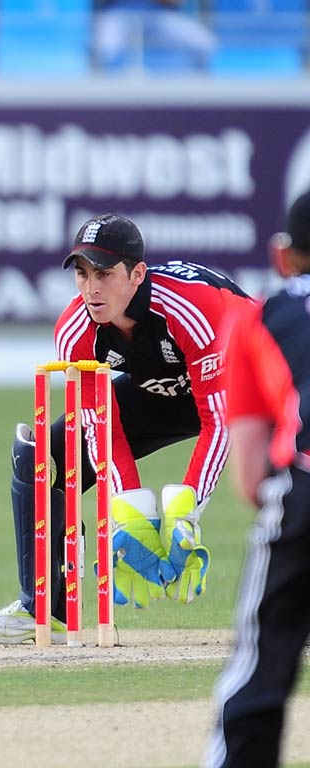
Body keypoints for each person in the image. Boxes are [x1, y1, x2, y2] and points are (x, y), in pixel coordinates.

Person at [0, 213, 256, 645]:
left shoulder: (192, 309)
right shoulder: (76, 331)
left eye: (104, 273)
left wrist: (187, 511)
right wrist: (131, 513)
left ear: (137, 274)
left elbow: (220, 420)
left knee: (295, 472)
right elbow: (101, 427)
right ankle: (46, 608)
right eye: (82, 274)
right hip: (164, 394)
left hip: (258, 381)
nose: (91, 288)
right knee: (45, 455)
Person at [204, 193, 310, 768]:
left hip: (303, 491)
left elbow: (249, 474)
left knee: (262, 667)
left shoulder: (258, 318)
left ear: (283, 256)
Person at [93, 0, 217, 73]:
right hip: (119, 11)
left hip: (158, 12)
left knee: (205, 43)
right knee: (105, 48)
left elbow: (176, 2)